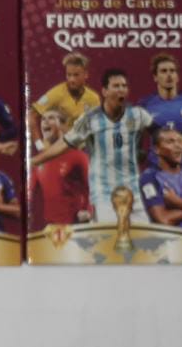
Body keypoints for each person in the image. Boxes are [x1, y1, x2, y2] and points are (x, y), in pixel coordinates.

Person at [30, 69, 153, 224]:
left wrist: (147, 152)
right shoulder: (91, 119)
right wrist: (35, 160)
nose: (121, 89)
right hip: (104, 195)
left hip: (133, 193)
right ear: (105, 91)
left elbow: (159, 134)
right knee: (109, 236)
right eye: (116, 86)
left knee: (143, 236)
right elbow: (64, 143)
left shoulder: (137, 115)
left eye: (124, 86)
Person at [26, 109, 91, 227]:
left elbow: (91, 186)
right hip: (50, 229)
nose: (45, 121)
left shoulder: (78, 156)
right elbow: (29, 189)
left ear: (63, 126)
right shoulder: (40, 161)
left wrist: (88, 210)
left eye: (51, 118)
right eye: (43, 119)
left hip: (75, 226)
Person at [28, 52, 100, 149]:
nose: (71, 79)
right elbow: (31, 115)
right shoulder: (55, 94)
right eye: (69, 75)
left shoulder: (93, 98)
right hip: (56, 149)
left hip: (81, 150)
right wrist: (39, 145)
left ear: (85, 74)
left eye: (76, 75)